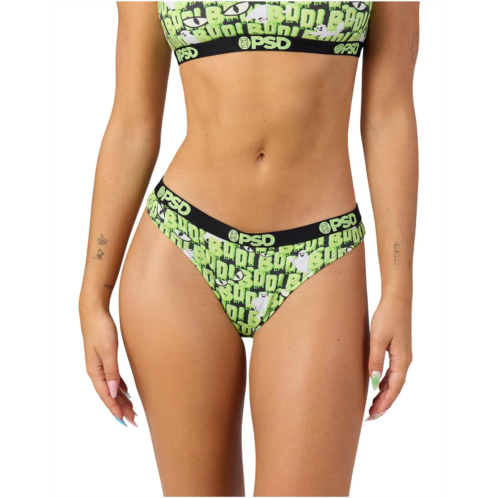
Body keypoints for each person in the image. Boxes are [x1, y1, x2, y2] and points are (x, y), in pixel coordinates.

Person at [79, 1, 419, 496]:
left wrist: (399, 289)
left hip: (319, 255)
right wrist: (93, 296)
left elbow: (390, 116)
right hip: (182, 250)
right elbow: (132, 125)